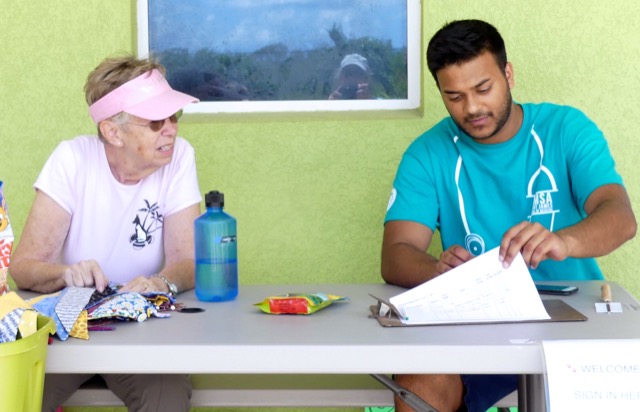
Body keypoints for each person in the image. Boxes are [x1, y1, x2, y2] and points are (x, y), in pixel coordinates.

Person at [382, 19, 636, 412]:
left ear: (508, 74)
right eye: (454, 96)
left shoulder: (565, 129)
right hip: (474, 327)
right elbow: (396, 253)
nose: (472, 108)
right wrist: (437, 270)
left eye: (483, 89)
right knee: (419, 382)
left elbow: (620, 217)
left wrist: (563, 240)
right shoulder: (427, 152)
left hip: (572, 324)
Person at [10, 55, 202, 412]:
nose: (171, 129)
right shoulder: (72, 159)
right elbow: (23, 267)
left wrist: (159, 282)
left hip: (143, 332)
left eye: (174, 117)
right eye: (157, 121)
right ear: (113, 132)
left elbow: (190, 260)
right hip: (64, 331)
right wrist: (66, 274)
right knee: (14, 395)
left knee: (168, 399)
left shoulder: (179, 158)